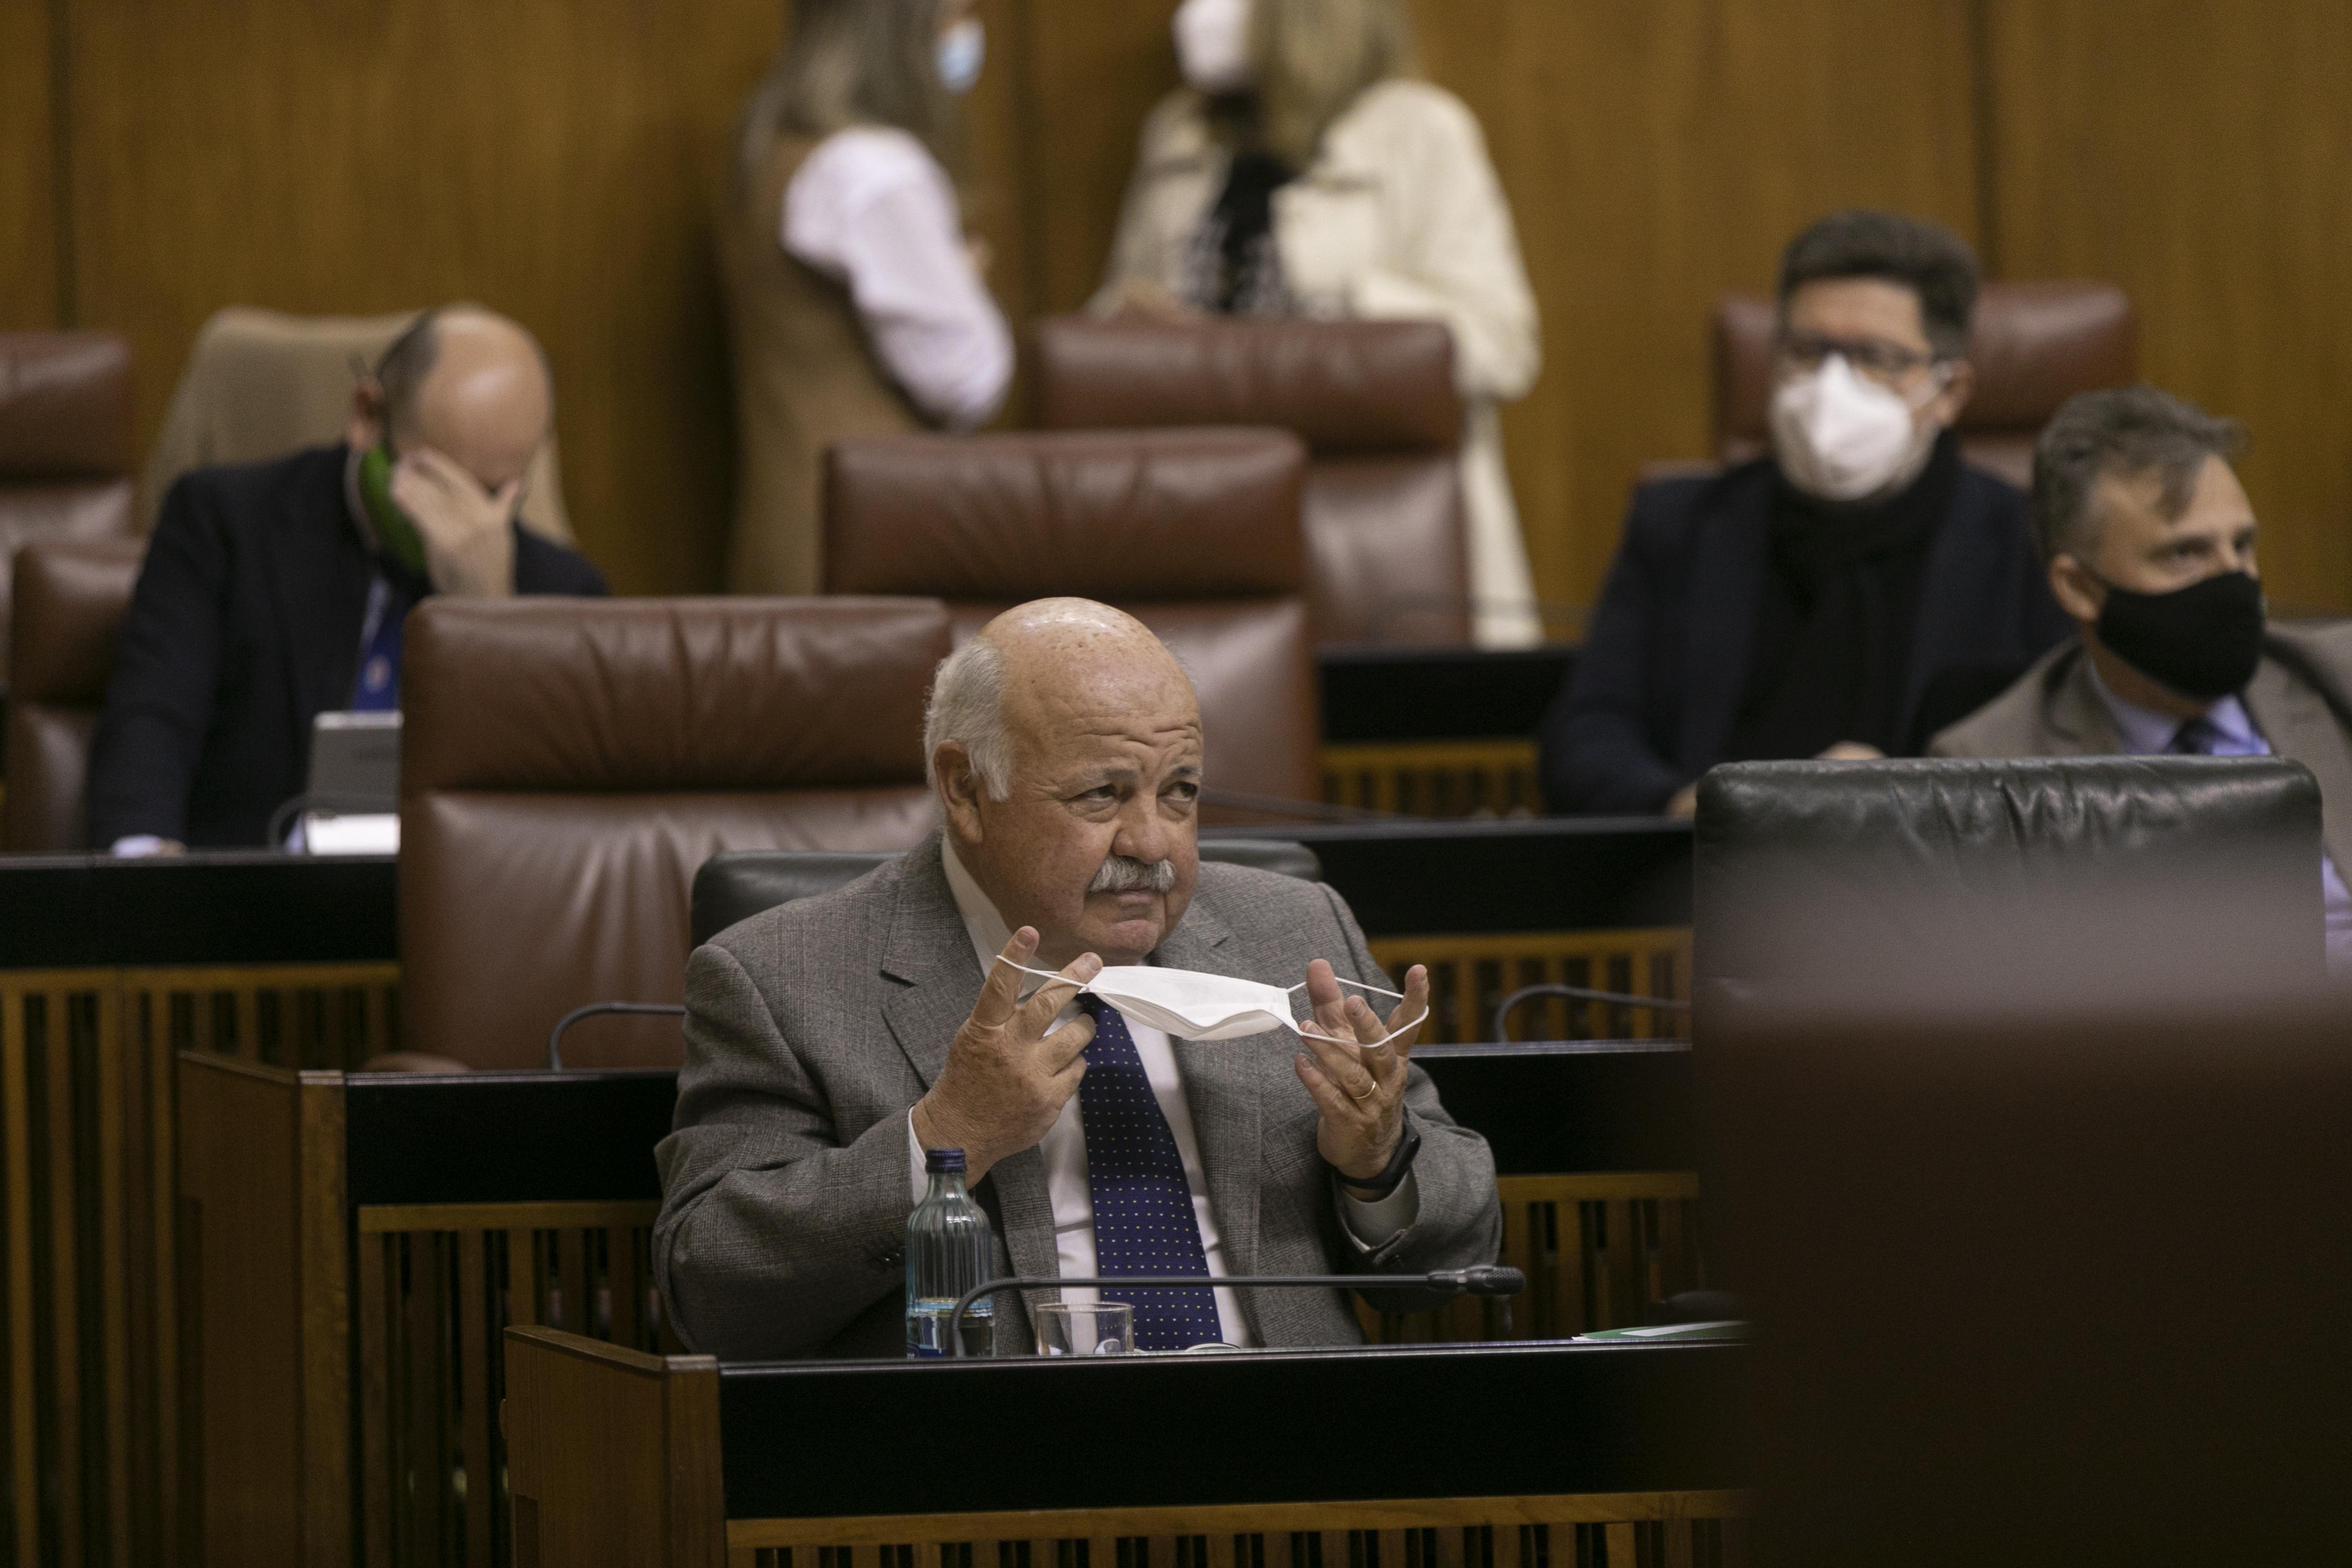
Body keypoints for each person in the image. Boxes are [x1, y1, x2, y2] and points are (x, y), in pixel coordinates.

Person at [655, 597, 1501, 1359]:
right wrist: (946, 1136)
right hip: (999, 1473)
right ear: (967, 790)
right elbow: (714, 1286)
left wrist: (1378, 1165)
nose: (1153, 844)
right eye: (1103, 796)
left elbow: (1460, 1252)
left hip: (1296, 1450)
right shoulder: (784, 976)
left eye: (1180, 793)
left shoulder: (1294, 933)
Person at [1540, 210, 2070, 816]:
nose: (1831, 385)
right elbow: (1586, 736)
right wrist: (1687, 806)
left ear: (1949, 393)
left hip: (1944, 894)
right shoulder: (1680, 525)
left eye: (1876, 357)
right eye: (1806, 350)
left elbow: (2064, 764)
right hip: (1711, 883)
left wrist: (1912, 799)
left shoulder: (2027, 542)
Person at [1092, 0, 1543, 648]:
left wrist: (1336, 303)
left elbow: (1503, 347)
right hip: (1196, 510)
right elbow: (1116, 314)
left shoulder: (1422, 130)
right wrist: (1123, 320)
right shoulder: (1177, 131)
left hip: (1381, 538)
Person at [85, 306, 607, 853]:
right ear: (367, 416)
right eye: (441, 485)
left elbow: (553, 833)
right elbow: (150, 728)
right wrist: (146, 873)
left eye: (498, 493)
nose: (471, 525)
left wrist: (488, 615)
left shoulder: (565, 592)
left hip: (454, 918)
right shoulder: (225, 524)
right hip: (256, 910)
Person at [1931, 385, 2352, 969]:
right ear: (2079, 588)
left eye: (2243, 546)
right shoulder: (1991, 772)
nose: (2233, 582)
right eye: (2185, 554)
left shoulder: (2338, 681)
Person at [720, 0, 1012, 596]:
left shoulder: (771, 143)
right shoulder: (873, 171)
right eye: (954, 13)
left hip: (783, 532)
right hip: (870, 549)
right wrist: (962, 280)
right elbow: (967, 379)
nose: (966, 33)